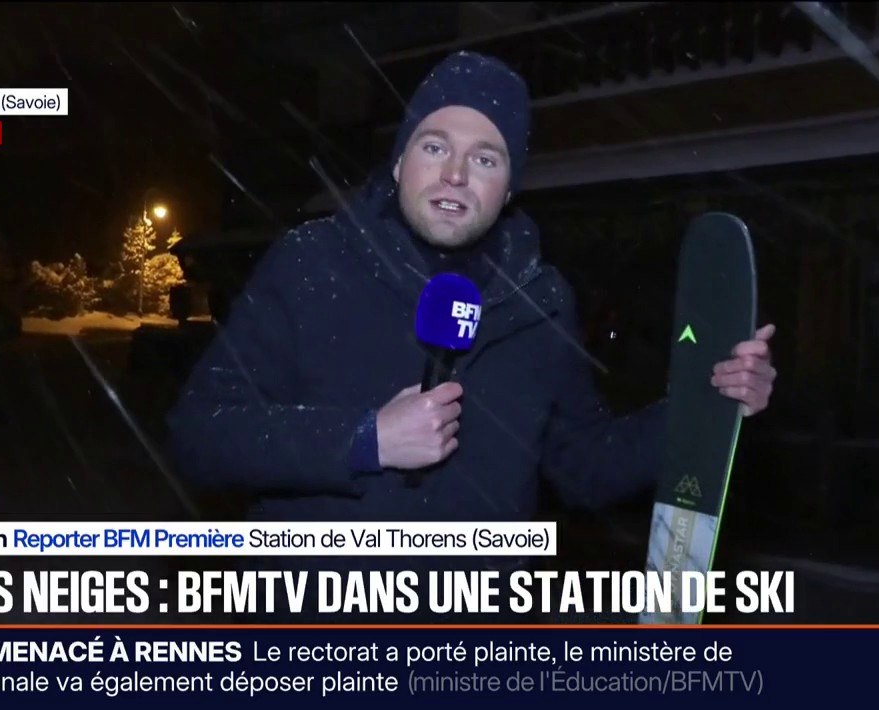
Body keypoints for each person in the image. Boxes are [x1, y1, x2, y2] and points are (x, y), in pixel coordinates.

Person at [165, 51, 777, 621]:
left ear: (508, 188)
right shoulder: (310, 264)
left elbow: (583, 466)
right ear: (401, 161)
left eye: (486, 158)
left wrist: (704, 408)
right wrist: (364, 440)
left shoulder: (540, 302)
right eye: (435, 146)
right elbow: (201, 433)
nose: (456, 173)